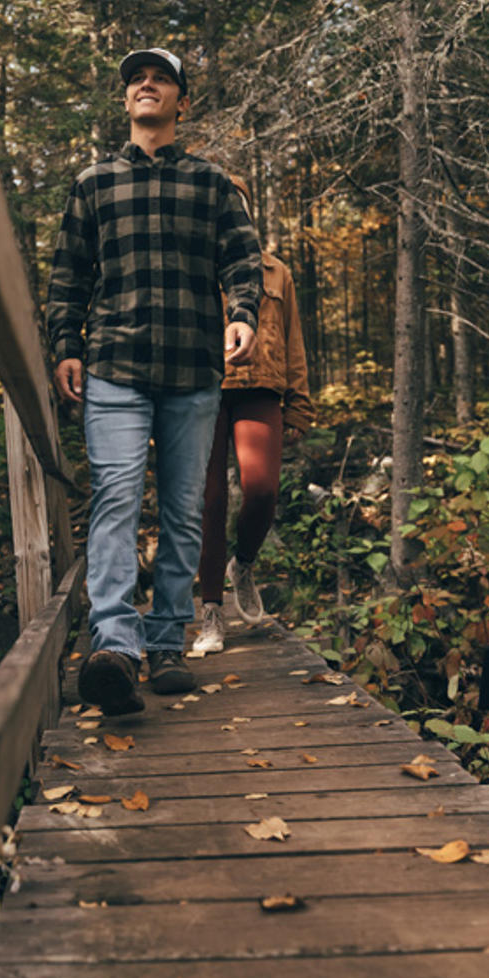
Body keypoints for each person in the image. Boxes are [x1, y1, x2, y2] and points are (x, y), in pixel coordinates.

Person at [46, 48, 262, 714]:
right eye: (136, 79)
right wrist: (65, 344)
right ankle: (114, 644)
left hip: (191, 371)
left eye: (160, 78)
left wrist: (244, 315)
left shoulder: (211, 183)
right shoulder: (94, 183)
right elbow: (67, 275)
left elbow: (243, 260)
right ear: (126, 101)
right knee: (114, 498)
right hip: (113, 367)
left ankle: (167, 642)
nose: (146, 84)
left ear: (180, 102)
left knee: (181, 511)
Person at [194, 176, 313, 654]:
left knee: (262, 490)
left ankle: (242, 564)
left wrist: (299, 403)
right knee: (209, 500)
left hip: (261, 387)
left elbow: (294, 338)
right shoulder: (191, 268)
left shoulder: (274, 271)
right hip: (201, 389)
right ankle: (211, 614)